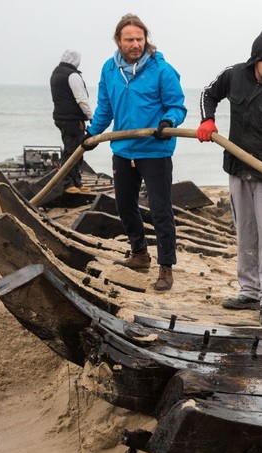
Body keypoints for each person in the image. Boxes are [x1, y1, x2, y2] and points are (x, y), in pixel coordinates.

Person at [197, 29, 262, 327]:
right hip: (237, 169)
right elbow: (208, 93)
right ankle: (250, 292)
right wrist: (207, 119)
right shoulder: (233, 76)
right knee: (245, 231)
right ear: (256, 61)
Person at [84, 13, 187, 291]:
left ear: (146, 39)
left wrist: (169, 122)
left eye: (139, 39)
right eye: (129, 39)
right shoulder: (109, 69)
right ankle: (140, 254)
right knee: (124, 205)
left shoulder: (161, 70)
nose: (135, 44)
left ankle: (166, 268)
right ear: (118, 41)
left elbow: (177, 106)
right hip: (123, 149)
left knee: (160, 209)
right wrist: (93, 132)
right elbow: (105, 107)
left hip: (155, 151)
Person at [50, 49, 94, 194]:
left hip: (61, 117)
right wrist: (91, 116)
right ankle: (68, 184)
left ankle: (76, 182)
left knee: (74, 149)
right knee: (73, 151)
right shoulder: (72, 75)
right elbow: (81, 99)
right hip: (72, 119)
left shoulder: (56, 73)